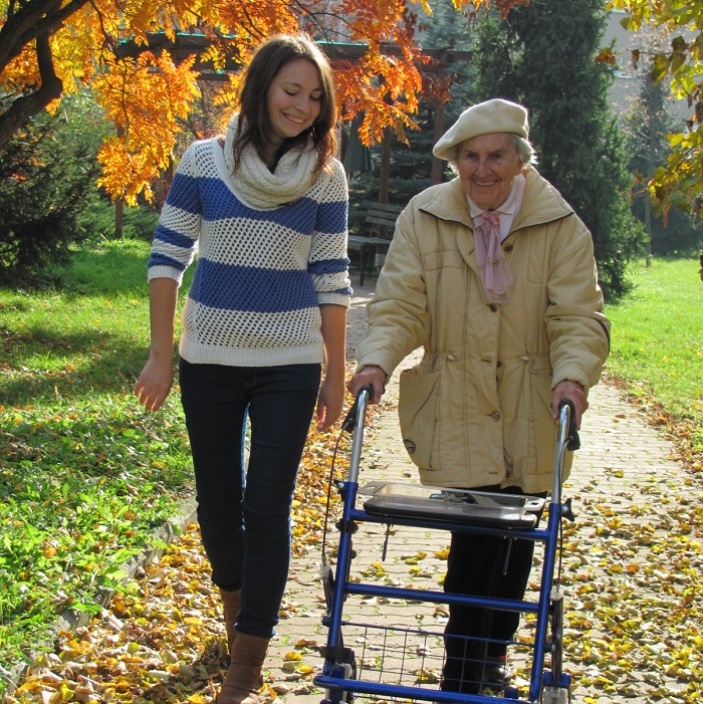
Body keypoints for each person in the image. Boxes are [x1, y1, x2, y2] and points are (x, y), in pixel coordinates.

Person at [348, 98, 610, 695]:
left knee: (517, 543)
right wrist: (376, 362)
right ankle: (466, 672)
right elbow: (399, 305)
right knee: (474, 538)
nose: (483, 170)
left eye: (496, 156)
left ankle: (483, 665)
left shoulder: (561, 226)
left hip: (530, 404)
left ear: (521, 161)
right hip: (458, 400)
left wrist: (572, 376)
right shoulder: (425, 217)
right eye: (471, 156)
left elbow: (579, 317)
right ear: (456, 161)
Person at [135, 34, 351, 704]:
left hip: (288, 359)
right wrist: (160, 353)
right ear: (260, 88)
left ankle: (247, 660)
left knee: (267, 505)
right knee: (217, 509)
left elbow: (331, 277)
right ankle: (235, 616)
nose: (303, 106)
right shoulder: (203, 162)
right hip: (210, 360)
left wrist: (335, 371)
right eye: (292, 90)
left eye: (315, 97)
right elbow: (166, 258)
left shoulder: (324, 174)